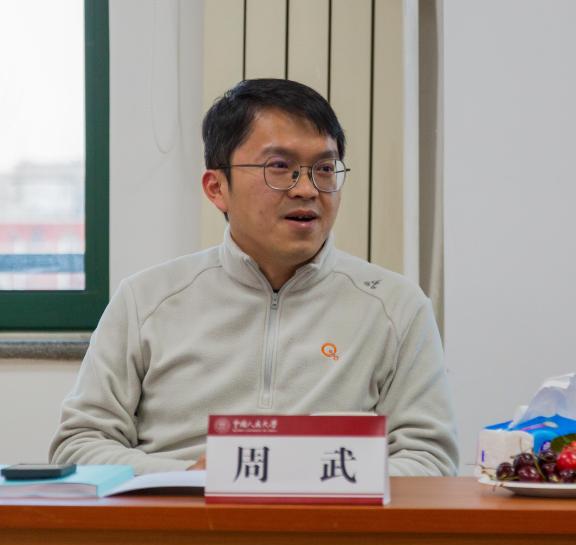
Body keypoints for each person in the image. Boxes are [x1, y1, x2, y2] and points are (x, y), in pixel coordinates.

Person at [49, 79, 458, 476]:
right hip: (180, 513)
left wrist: (297, 477)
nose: (306, 189)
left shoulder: (397, 307)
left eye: (324, 168)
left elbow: (430, 460)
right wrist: (193, 476)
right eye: (279, 167)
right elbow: (79, 445)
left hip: (331, 517)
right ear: (217, 187)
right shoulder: (145, 300)